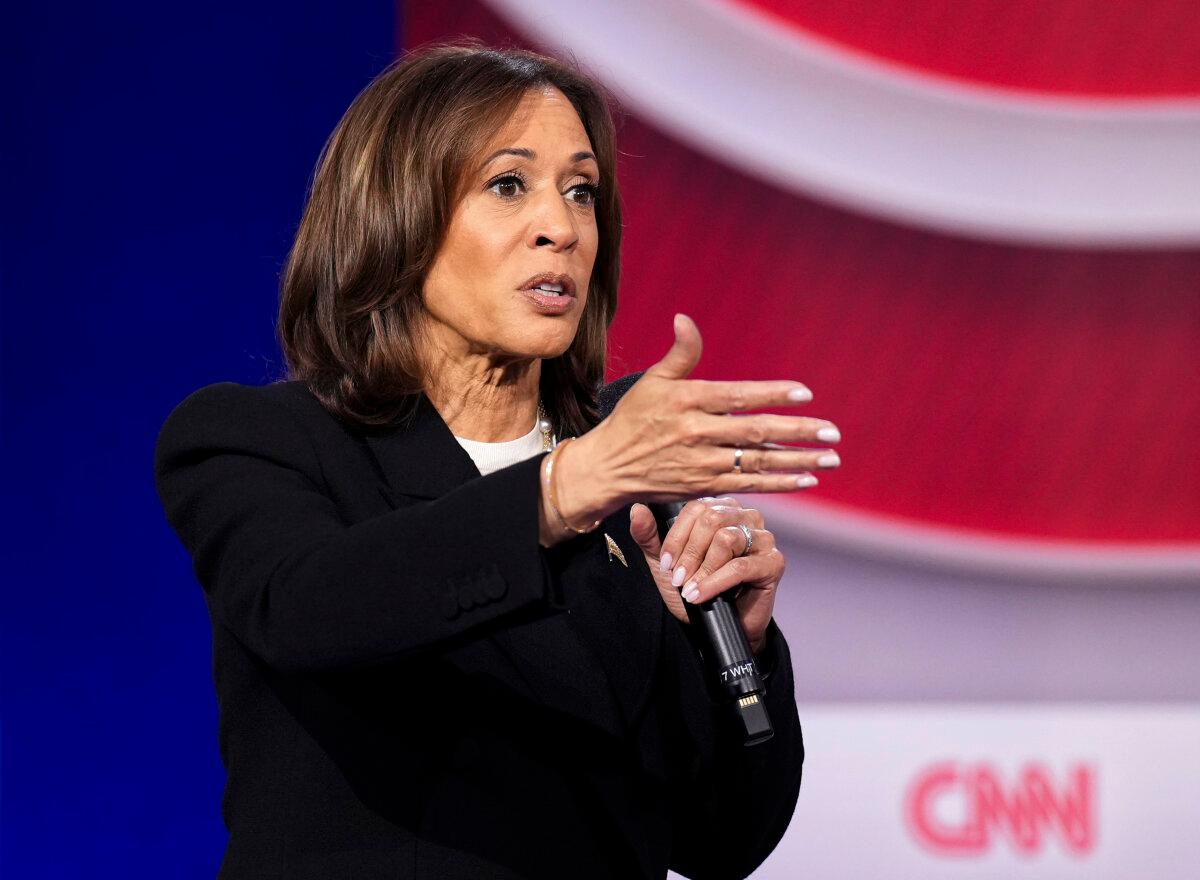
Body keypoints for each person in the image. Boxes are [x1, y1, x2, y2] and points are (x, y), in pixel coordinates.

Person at [154, 39, 841, 880]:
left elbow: (721, 840)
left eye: (581, 191)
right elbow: (310, 608)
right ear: (396, 215)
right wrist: (567, 487)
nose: (560, 227)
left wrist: (740, 650)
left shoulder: (633, 493)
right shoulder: (259, 441)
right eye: (508, 184)